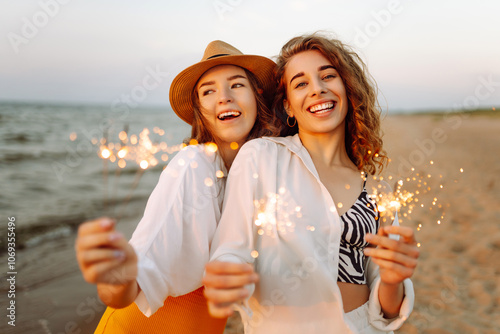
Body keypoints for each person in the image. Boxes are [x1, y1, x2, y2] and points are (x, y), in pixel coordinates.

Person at [204, 34, 419, 333]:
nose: (317, 89)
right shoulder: (261, 157)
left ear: (348, 88)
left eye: (328, 76)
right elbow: (231, 248)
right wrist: (226, 275)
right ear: (289, 106)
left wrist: (394, 279)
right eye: (301, 83)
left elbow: (386, 309)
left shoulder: (376, 188)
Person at [75, 40, 279, 333]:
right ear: (199, 108)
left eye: (236, 85)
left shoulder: (255, 172)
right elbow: (130, 284)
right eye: (208, 91)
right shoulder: (194, 164)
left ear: (256, 97)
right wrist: (114, 277)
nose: (223, 97)